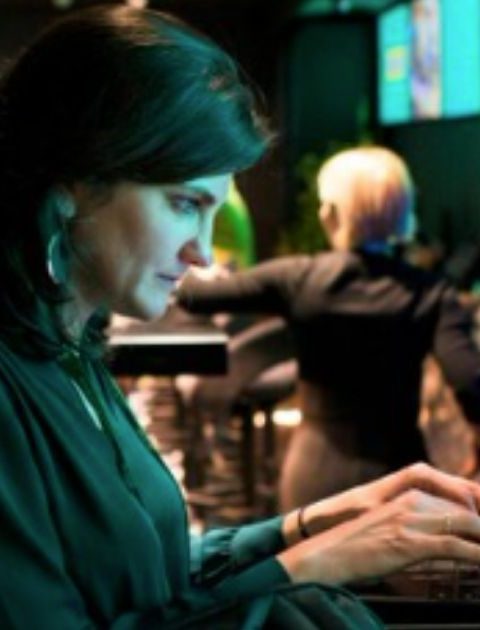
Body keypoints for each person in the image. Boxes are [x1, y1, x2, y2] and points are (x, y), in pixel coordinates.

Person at [2, 8, 480, 628]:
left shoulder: (72, 352)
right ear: (76, 181)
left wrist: (308, 526)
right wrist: (307, 563)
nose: (202, 252)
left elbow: (157, 575)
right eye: (184, 204)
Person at [177, 146, 480, 509]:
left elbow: (193, 296)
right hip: (401, 476)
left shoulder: (298, 278)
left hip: (314, 475)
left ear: (330, 214)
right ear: (404, 212)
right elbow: (470, 383)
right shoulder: (431, 294)